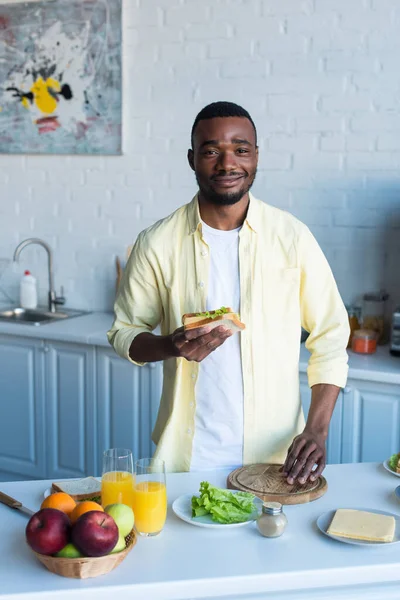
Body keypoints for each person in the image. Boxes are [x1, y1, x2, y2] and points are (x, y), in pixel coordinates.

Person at [108, 101, 349, 484]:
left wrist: (317, 429)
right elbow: (123, 333)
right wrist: (171, 346)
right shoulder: (156, 243)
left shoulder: (292, 238)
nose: (227, 164)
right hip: (188, 459)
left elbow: (331, 336)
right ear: (192, 159)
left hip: (277, 458)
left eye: (241, 149)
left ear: (256, 156)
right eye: (210, 151)